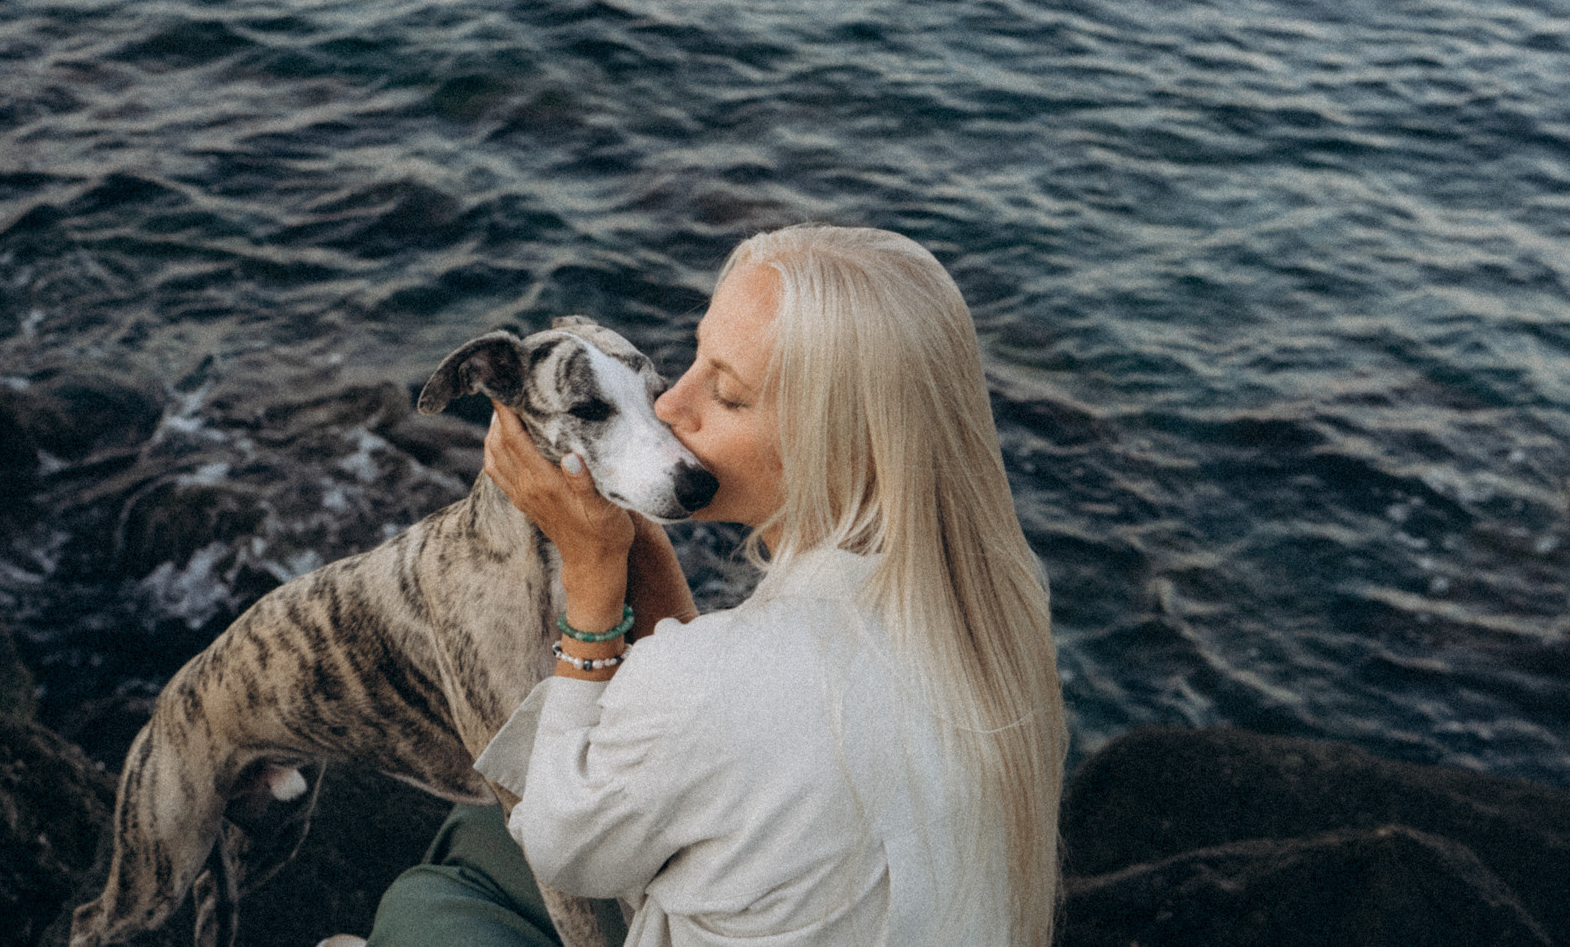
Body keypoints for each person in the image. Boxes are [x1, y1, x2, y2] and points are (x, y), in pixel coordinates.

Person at [364, 225, 1066, 947]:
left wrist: (593, 581)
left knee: (422, 896)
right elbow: (729, 729)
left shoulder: (715, 681)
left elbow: (560, 840)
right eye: (691, 359)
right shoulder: (998, 618)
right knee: (480, 832)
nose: (669, 405)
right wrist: (632, 539)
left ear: (835, 441)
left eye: (726, 394)